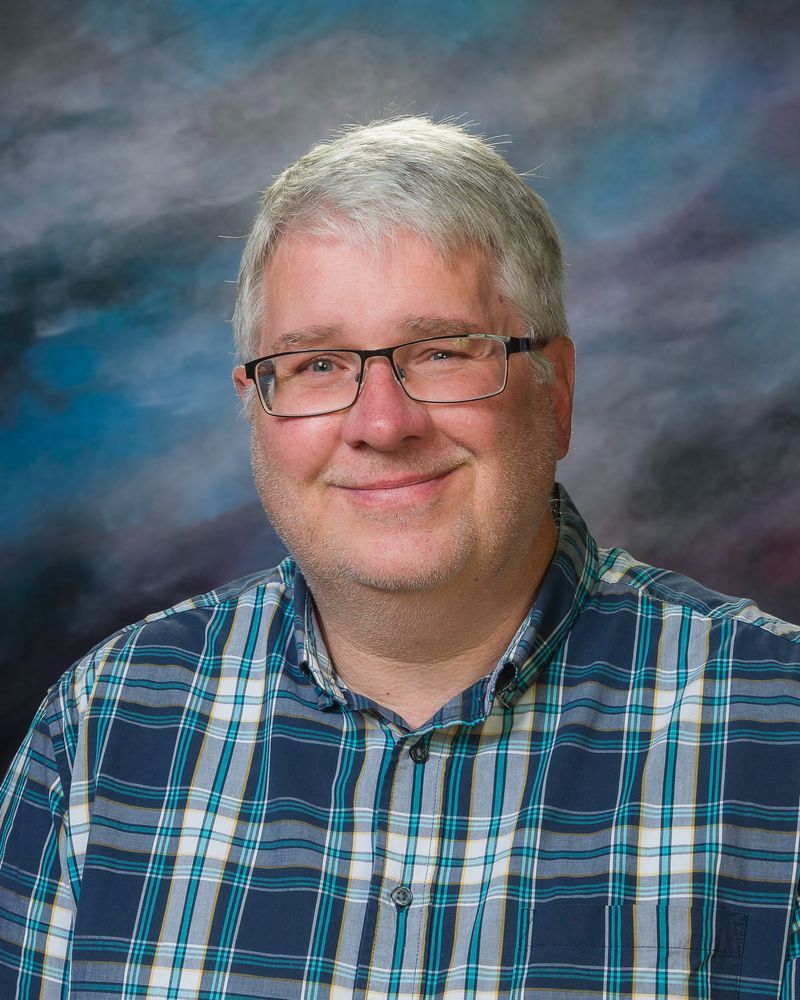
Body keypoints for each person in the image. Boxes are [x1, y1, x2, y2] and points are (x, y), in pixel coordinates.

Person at [0, 117, 798, 1000]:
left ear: (557, 391)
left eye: (443, 353)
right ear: (256, 411)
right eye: (316, 365)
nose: (383, 424)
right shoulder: (105, 726)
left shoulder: (774, 723)